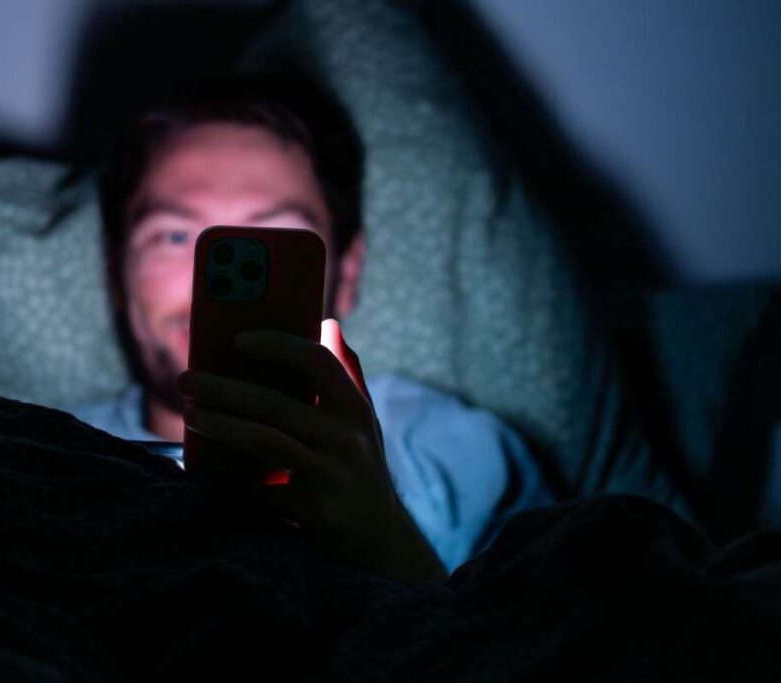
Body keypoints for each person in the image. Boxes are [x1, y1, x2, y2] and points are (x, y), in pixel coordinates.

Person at [69, 81, 553, 580]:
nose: (215, 282)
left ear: (345, 273)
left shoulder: (462, 458)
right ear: (115, 274)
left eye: (276, 237)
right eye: (174, 236)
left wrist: (387, 540)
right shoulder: (51, 456)